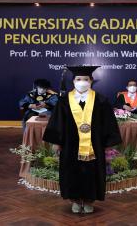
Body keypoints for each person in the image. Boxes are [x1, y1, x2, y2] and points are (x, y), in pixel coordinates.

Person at [43, 65, 122, 214]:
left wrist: (108, 144)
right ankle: (74, 200)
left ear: (91, 81)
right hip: (70, 144)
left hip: (94, 144)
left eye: (85, 79)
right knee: (71, 171)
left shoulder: (101, 100)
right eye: (78, 79)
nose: (82, 82)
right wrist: (57, 142)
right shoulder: (64, 100)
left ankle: (89, 200)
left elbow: (108, 123)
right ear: (73, 81)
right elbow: (57, 121)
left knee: (91, 172)